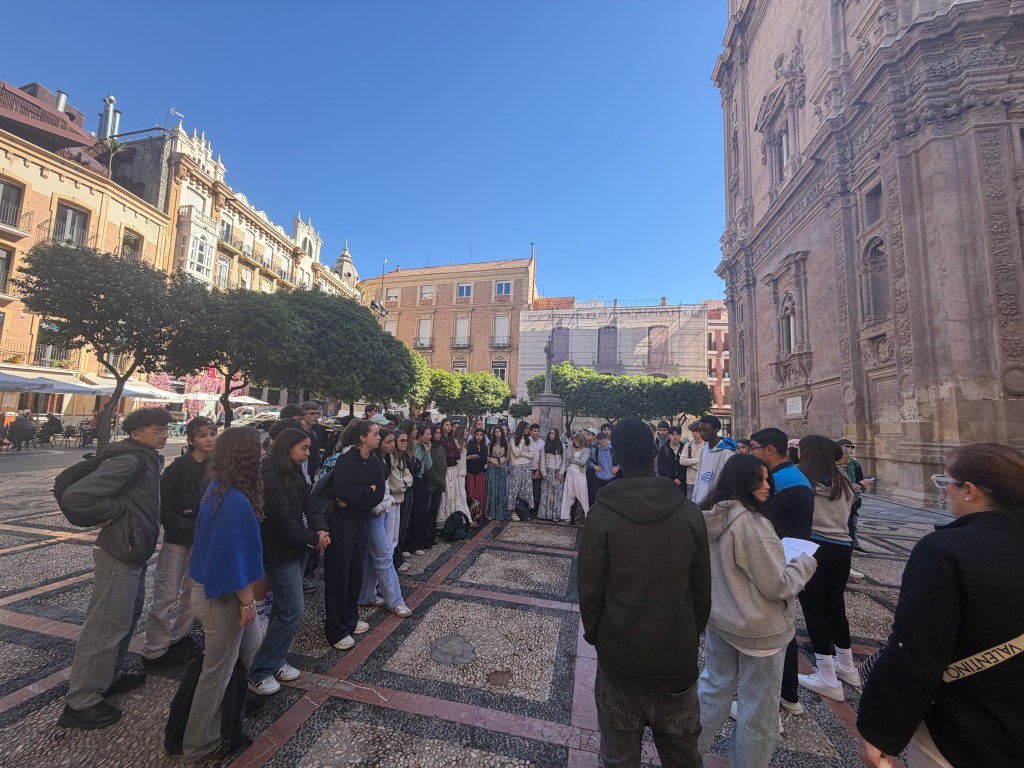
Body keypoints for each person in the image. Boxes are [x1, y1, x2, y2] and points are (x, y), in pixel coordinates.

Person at [857, 443, 1024, 768]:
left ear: (970, 490)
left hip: (964, 725)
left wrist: (881, 730)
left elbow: (917, 648)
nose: (946, 490)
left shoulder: (944, 550)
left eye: (947, 482)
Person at [578, 418, 711, 768]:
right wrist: (687, 634)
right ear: (654, 453)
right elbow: (702, 591)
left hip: (620, 660)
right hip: (676, 661)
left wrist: (598, 636)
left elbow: (590, 590)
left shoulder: (602, 516)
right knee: (683, 757)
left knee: (619, 758)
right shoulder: (689, 513)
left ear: (617, 457)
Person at [697, 454, 817, 767]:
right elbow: (777, 585)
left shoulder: (709, 516)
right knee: (759, 709)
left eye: (767, 479)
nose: (767, 486)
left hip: (721, 619)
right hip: (759, 629)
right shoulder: (752, 523)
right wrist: (804, 564)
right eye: (759, 480)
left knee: (712, 690)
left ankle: (685, 757)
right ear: (741, 482)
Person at [57, 407, 171, 730]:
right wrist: (117, 512)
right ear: (136, 434)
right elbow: (77, 496)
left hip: (132, 550)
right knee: (105, 625)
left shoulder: (147, 457)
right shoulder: (131, 460)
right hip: (119, 550)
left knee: (124, 618)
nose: (164, 435)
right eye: (157, 430)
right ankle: (81, 701)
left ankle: (107, 677)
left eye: (165, 429)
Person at [179, 426, 265, 762]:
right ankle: (199, 743)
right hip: (223, 597)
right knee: (217, 671)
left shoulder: (219, 489)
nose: (263, 454)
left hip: (215, 590)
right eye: (258, 449)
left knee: (243, 652)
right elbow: (233, 559)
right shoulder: (233, 502)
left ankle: (231, 713)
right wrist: (247, 602)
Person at [248, 428, 330, 696]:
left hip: (299, 546)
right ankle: (259, 671)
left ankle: (275, 660)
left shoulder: (294, 471)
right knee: (293, 609)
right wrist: (313, 538)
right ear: (287, 447)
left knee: (283, 609)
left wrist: (320, 529)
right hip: (280, 551)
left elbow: (310, 505)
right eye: (303, 448)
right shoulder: (269, 476)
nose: (308, 454)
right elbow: (281, 522)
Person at [749, 426, 815, 715]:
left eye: (753, 447)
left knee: (774, 632)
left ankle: (773, 700)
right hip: (788, 557)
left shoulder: (780, 482)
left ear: (769, 450)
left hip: (778, 559)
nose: (751, 452)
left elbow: (761, 519)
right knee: (782, 627)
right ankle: (787, 692)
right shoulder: (793, 476)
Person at [141, 417, 216, 668]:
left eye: (212, 434)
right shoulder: (179, 467)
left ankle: (181, 635)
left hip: (202, 540)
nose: (209, 439)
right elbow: (162, 503)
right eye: (203, 435)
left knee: (193, 592)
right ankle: (155, 648)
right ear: (191, 439)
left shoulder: (216, 467)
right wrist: (181, 525)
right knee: (166, 593)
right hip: (178, 539)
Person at [795, 435, 859, 703]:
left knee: (813, 607)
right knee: (835, 606)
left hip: (816, 546)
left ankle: (827, 676)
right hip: (842, 547)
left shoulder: (804, 479)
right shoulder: (843, 481)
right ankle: (847, 665)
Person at [324, 420, 386, 650]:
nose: (378, 438)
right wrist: (366, 491)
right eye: (375, 434)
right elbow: (342, 490)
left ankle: (350, 618)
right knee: (339, 573)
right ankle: (336, 628)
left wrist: (357, 497)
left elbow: (379, 493)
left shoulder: (375, 462)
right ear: (362, 437)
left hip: (362, 520)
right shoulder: (346, 460)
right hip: (342, 523)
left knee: (355, 572)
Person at [357, 429, 412, 618]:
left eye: (391, 441)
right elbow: (369, 490)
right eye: (387, 441)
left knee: (373, 557)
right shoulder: (369, 460)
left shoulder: (385, 459)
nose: (391, 444)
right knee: (384, 557)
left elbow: (385, 488)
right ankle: (395, 601)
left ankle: (366, 595)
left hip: (382, 510)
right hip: (374, 514)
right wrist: (379, 505)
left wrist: (385, 503)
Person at [690, 415, 738, 506]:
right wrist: (695, 496)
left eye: (706, 430)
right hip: (700, 497)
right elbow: (699, 475)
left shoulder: (727, 452)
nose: (702, 433)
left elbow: (727, 481)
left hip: (716, 502)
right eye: (700, 430)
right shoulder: (704, 449)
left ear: (716, 429)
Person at [837, 438, 872, 552]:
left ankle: (853, 543)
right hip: (840, 499)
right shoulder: (834, 466)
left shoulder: (854, 463)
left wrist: (861, 485)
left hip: (853, 497)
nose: (850, 450)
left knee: (853, 522)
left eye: (851, 447)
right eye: (847, 447)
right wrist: (860, 485)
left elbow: (859, 478)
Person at [404, 424, 434, 555]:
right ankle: (405, 545)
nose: (430, 436)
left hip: (420, 479)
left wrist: (427, 452)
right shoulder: (410, 446)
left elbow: (428, 466)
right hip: (409, 479)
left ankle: (416, 544)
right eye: (427, 434)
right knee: (408, 514)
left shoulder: (423, 447)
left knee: (420, 512)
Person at [389, 430, 415, 573]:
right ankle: (395, 560)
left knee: (401, 529)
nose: (405, 443)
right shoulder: (392, 458)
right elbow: (397, 485)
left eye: (406, 441)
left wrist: (404, 482)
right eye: (402, 441)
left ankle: (398, 557)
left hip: (401, 497)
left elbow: (409, 476)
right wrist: (404, 483)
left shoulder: (401, 457)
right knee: (394, 533)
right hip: (393, 500)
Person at [560, 432, 591, 524]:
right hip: (570, 473)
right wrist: (569, 445)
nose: (576, 442)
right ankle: (566, 517)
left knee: (582, 495)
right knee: (568, 495)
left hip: (580, 474)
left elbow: (582, 462)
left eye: (578, 440)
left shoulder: (586, 450)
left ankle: (587, 516)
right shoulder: (572, 447)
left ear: (582, 440)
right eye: (575, 440)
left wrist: (571, 460)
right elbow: (567, 456)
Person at [537, 428, 566, 521]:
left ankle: (555, 515)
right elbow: (542, 460)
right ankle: (545, 514)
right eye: (550, 433)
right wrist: (543, 472)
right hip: (548, 470)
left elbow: (564, 461)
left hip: (557, 472)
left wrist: (561, 473)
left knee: (556, 494)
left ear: (557, 434)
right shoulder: (545, 445)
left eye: (553, 433)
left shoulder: (561, 445)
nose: (551, 435)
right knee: (546, 493)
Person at [437, 418, 461, 524]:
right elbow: (444, 455)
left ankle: (451, 517)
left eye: (450, 425)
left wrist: (451, 454)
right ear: (442, 426)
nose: (449, 427)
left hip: (453, 468)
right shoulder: (441, 439)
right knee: (446, 493)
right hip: (445, 469)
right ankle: (442, 520)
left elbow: (458, 455)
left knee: (453, 493)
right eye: (447, 425)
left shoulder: (452, 439)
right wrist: (452, 454)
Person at [508, 422, 534, 521]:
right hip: (516, 466)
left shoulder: (528, 440)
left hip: (526, 466)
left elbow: (531, 454)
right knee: (515, 488)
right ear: (522, 428)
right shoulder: (513, 439)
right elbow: (516, 453)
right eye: (526, 428)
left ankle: (523, 510)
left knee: (525, 489)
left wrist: (523, 453)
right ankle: (512, 511)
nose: (528, 430)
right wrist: (522, 444)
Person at [588, 431, 619, 504]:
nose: (604, 441)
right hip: (599, 476)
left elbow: (622, 460)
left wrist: (617, 467)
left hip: (612, 476)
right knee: (594, 496)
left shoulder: (614, 449)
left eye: (605, 439)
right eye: (601, 439)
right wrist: (594, 466)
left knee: (613, 497)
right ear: (598, 440)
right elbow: (588, 461)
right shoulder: (595, 451)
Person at [485, 425, 509, 521]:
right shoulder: (490, 444)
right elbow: (487, 456)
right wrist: (491, 460)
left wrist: (504, 460)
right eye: (496, 432)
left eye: (499, 431)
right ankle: (491, 512)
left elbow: (508, 455)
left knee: (501, 490)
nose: (497, 433)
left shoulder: (505, 443)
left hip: (502, 468)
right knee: (492, 490)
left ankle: (500, 513)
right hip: (492, 468)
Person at [427, 424, 447, 532]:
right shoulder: (428, 449)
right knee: (428, 510)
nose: (438, 435)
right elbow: (429, 468)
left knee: (435, 509)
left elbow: (444, 466)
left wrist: (442, 480)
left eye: (440, 433)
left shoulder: (441, 449)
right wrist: (438, 480)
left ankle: (432, 533)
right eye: (436, 433)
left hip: (439, 484)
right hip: (430, 484)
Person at [465, 427, 488, 522]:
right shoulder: (470, 444)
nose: (479, 437)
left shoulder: (484, 447)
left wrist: (477, 458)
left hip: (480, 472)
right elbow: (468, 457)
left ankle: (480, 513)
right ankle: (470, 513)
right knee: (471, 492)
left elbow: (484, 459)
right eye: (477, 435)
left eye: (481, 435)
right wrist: (473, 458)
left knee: (480, 492)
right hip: (471, 472)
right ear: (474, 435)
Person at [678, 422, 704, 499]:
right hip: (689, 481)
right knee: (690, 503)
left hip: (702, 481)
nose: (694, 433)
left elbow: (705, 463)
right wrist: (698, 460)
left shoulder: (706, 445)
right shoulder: (688, 445)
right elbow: (682, 461)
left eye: (697, 431)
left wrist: (689, 462)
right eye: (693, 431)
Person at [530, 423, 544, 518]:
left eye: (538, 431)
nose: (536, 433)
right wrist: (529, 470)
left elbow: (542, 459)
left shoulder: (542, 443)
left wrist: (539, 470)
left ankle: (535, 510)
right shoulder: (527, 441)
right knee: (528, 490)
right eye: (534, 431)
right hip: (528, 469)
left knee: (537, 491)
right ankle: (528, 509)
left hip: (537, 469)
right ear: (531, 431)